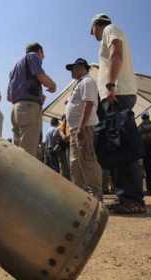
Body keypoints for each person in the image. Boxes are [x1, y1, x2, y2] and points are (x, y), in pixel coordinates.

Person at [91, 14, 145, 212]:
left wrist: (111, 84)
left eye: (92, 29)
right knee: (117, 147)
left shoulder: (109, 29)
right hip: (116, 95)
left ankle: (134, 199)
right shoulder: (110, 30)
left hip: (117, 94)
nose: (92, 34)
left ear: (96, 25)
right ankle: (125, 196)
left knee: (122, 147)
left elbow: (116, 52)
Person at [7, 42, 56, 157]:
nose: (42, 59)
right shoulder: (33, 56)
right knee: (27, 155)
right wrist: (53, 85)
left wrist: (34, 97)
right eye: (42, 56)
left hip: (15, 109)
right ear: (39, 51)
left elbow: (8, 97)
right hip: (28, 109)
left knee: (18, 153)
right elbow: (40, 76)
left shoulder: (15, 67)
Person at [65, 58, 102, 200]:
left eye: (73, 68)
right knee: (76, 164)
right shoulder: (80, 83)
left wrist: (81, 127)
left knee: (88, 161)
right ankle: (78, 197)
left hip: (85, 127)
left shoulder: (87, 81)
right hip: (76, 129)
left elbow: (89, 103)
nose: (71, 71)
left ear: (81, 66)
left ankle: (96, 196)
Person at [138, 111, 151, 195]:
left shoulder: (139, 127)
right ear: (149, 116)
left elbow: (138, 140)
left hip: (145, 149)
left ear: (142, 117)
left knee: (148, 170)